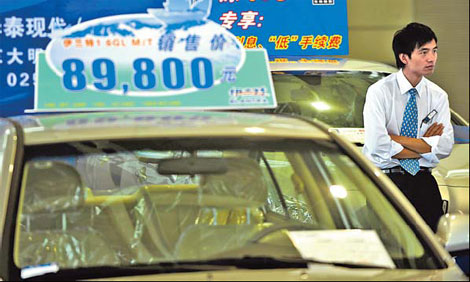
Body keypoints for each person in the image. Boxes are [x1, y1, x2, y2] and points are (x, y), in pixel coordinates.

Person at [362, 22, 454, 232]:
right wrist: (424, 146)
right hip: (387, 181)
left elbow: (444, 146)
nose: (431, 58)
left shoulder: (438, 96)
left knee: (433, 250)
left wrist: (396, 138)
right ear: (404, 57)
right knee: (390, 251)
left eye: (434, 51)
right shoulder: (379, 92)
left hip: (424, 182)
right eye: (423, 52)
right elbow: (377, 145)